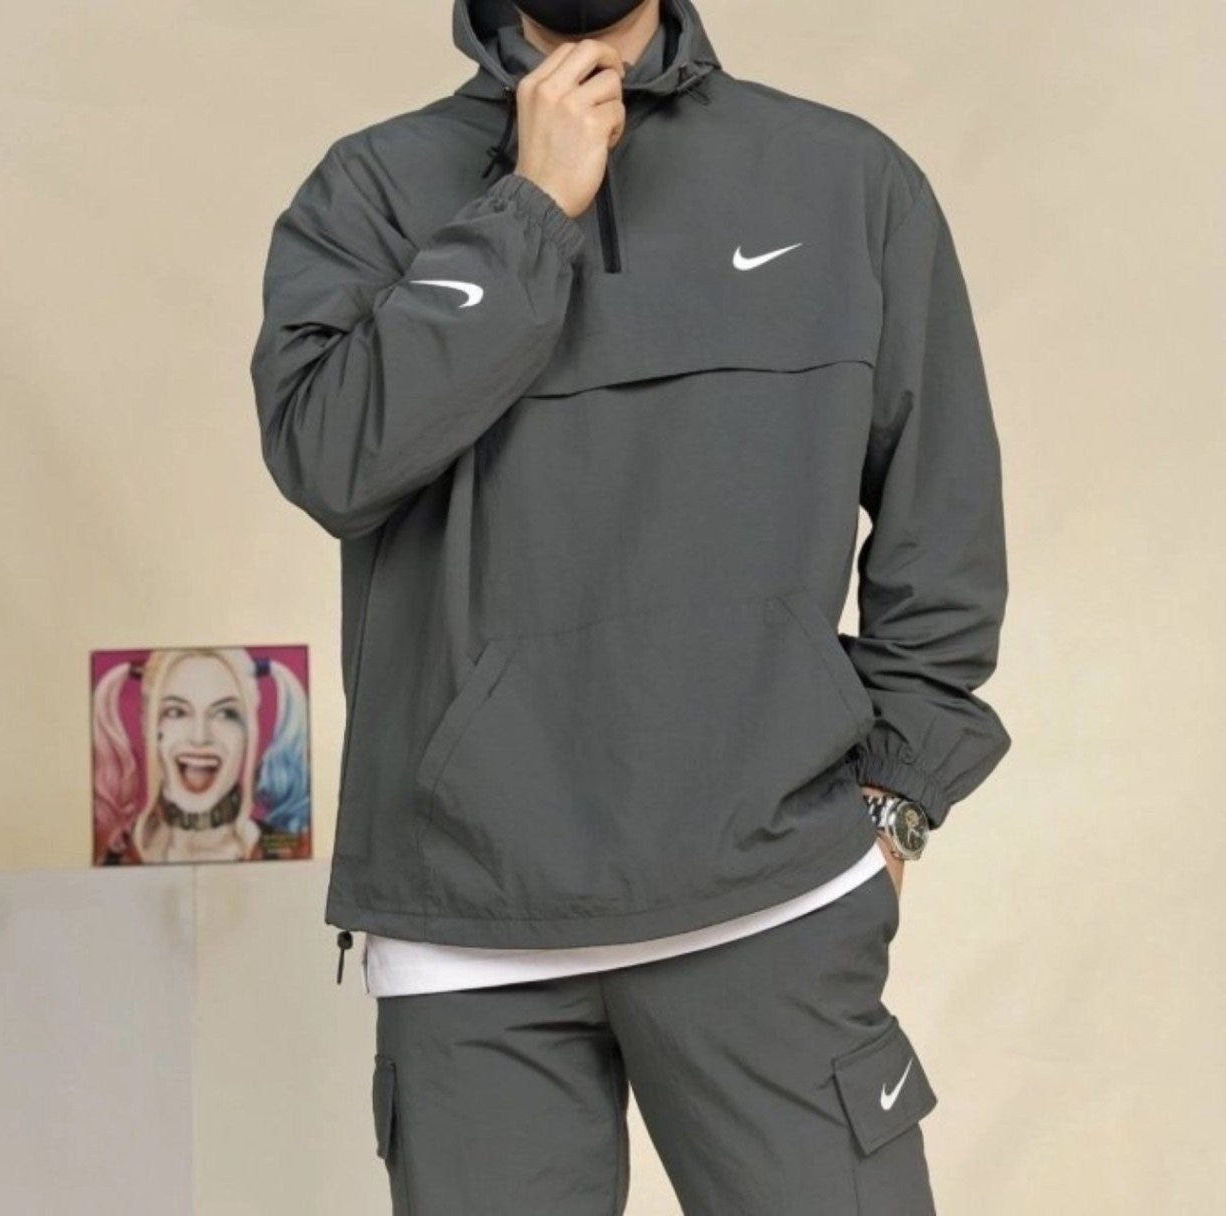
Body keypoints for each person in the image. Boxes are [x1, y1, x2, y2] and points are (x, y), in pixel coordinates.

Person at [249, 0, 1011, 1210]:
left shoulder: (842, 180)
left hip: (768, 904)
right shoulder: (375, 190)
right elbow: (332, 460)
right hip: (469, 932)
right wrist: (526, 208)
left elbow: (942, 519)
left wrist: (896, 800)